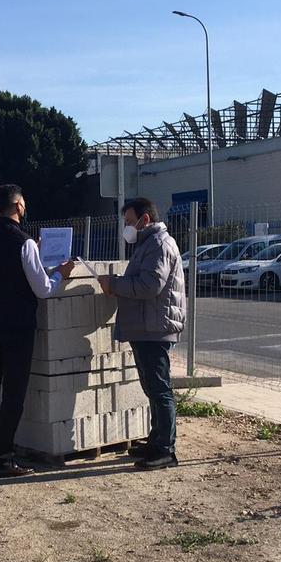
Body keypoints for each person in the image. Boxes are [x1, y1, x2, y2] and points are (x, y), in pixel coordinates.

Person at [0, 184, 75, 477]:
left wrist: (33, 255)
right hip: (17, 326)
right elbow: (41, 289)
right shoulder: (23, 242)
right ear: (17, 206)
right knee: (13, 392)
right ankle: (2, 459)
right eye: (24, 204)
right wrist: (58, 274)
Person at [100, 197, 186, 471]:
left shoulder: (159, 244)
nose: (127, 227)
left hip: (155, 328)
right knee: (152, 388)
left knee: (160, 389)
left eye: (129, 221)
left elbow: (150, 286)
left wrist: (114, 284)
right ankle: (156, 439)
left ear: (144, 219)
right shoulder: (147, 243)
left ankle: (165, 450)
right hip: (146, 326)